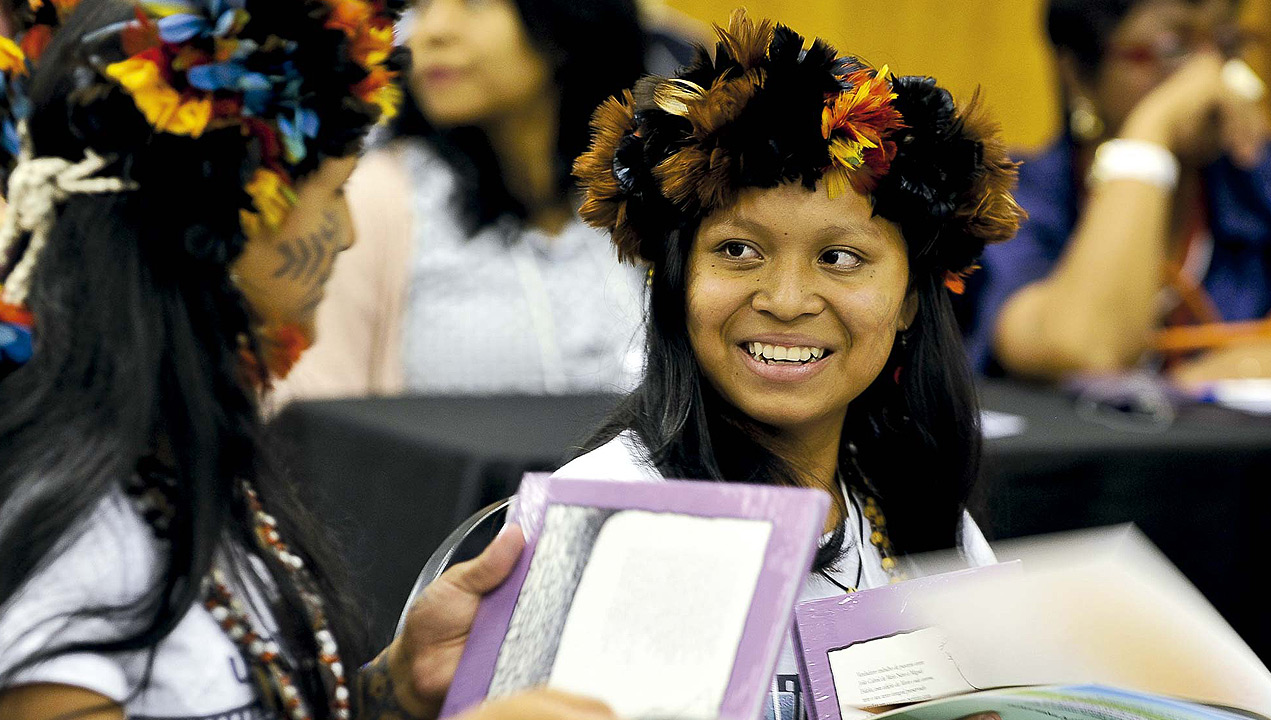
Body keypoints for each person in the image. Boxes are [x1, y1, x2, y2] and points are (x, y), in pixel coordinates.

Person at [0, 2, 606, 719]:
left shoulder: (176, 466)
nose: (347, 235)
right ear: (225, 216)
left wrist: (390, 689)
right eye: (336, 191)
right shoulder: (69, 525)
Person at [558, 11, 1024, 717]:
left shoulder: (921, 516)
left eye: (840, 259)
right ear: (676, 280)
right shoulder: (607, 516)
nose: (784, 300)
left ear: (907, 302)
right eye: (738, 251)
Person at [965, 0, 1271, 383]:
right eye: (1172, 48)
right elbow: (1087, 351)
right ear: (1079, 73)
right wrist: (1150, 135)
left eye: (1226, 44)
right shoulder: (1008, 197)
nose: (1210, 76)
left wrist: (1249, 369)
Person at [278, 0, 650, 400]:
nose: (431, 32)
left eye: (473, 3)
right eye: (421, 6)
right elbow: (317, 424)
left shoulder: (648, 192)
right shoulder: (375, 199)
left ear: (567, 26)